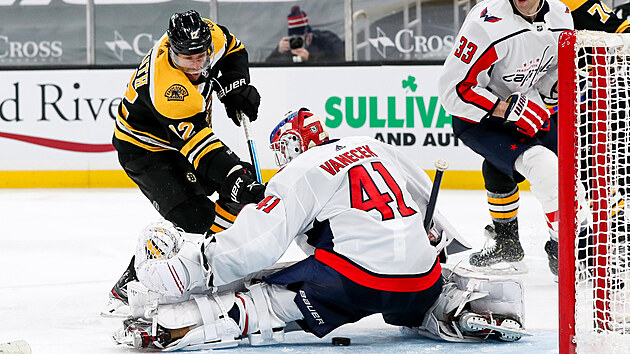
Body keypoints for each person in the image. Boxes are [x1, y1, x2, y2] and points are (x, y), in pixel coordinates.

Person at [112, 108, 528, 350]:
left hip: (352, 282)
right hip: (419, 277)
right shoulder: (376, 146)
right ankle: (454, 307)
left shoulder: (302, 169)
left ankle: (171, 326)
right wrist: (434, 248)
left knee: (264, 297)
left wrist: (191, 269)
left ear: (292, 146)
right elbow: (430, 213)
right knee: (417, 287)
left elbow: (256, 246)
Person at [448, 0, 629, 276]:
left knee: (564, 172)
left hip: (529, 104)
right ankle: (566, 247)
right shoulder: (485, 24)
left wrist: (558, 86)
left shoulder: (561, 15)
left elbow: (550, 76)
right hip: (480, 116)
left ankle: (516, 243)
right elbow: (454, 91)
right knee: (543, 165)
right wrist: (507, 109)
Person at [104, 10, 266, 314]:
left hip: (183, 139)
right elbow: (200, 148)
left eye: (201, 56)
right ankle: (132, 281)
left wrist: (234, 87)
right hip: (145, 149)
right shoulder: (168, 88)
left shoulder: (212, 37)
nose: (196, 65)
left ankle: (213, 265)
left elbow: (234, 52)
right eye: (186, 59)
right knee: (195, 215)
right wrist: (231, 173)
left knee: (238, 191)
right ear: (171, 50)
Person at [265, 6, 345, 64]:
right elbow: (268, 65)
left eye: (300, 39)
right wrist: (278, 51)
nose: (297, 42)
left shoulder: (326, 41)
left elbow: (340, 60)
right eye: (293, 38)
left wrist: (310, 59)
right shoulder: (288, 47)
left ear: (309, 36)